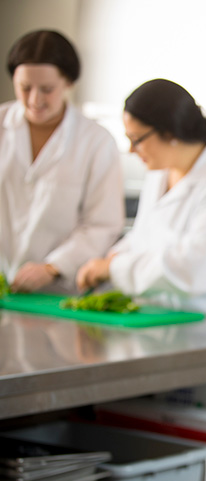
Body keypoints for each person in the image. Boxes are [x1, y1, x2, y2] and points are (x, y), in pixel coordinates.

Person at [75, 79, 206, 319]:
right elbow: (144, 236)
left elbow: (194, 267)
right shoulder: (161, 169)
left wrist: (113, 269)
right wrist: (110, 258)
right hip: (155, 314)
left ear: (169, 131)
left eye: (137, 139)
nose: (131, 150)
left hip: (205, 322)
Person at [0, 30, 124, 293]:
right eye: (25, 88)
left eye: (47, 89)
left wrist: (52, 267)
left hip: (59, 290)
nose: (35, 99)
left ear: (68, 83)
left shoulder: (96, 142)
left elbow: (103, 224)